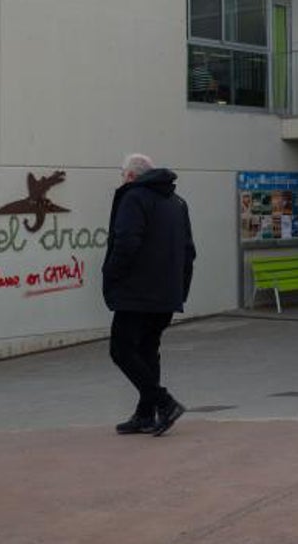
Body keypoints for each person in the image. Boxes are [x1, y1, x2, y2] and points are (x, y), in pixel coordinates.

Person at [102, 153, 196, 436]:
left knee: (121, 349)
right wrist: (180, 288)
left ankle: (164, 403)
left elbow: (126, 242)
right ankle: (145, 414)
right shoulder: (177, 203)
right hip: (166, 292)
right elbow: (189, 251)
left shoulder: (134, 197)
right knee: (147, 350)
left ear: (131, 176)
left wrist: (111, 275)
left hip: (137, 292)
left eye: (123, 175)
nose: (122, 180)